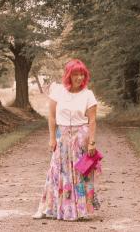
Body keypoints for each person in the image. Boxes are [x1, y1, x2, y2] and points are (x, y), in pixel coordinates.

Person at [33, 59, 100, 221]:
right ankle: (48, 207)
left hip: (80, 138)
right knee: (56, 171)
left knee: (80, 173)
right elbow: (51, 116)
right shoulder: (58, 92)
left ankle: (80, 210)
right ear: (68, 75)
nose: (79, 78)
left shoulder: (88, 95)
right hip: (62, 137)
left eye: (82, 74)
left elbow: (92, 120)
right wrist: (51, 138)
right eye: (75, 74)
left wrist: (91, 142)